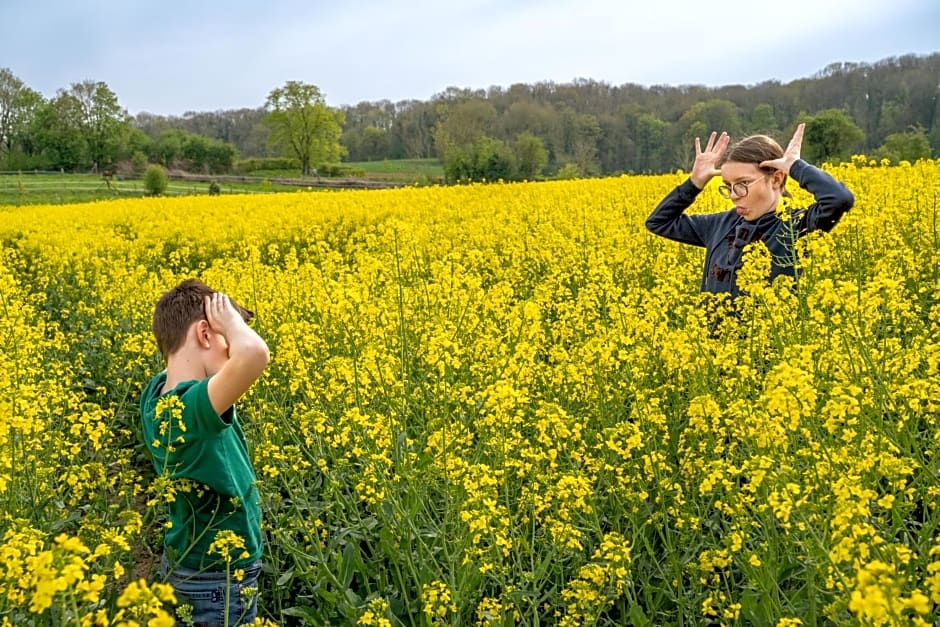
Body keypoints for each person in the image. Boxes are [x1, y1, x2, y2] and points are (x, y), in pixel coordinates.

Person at [140, 279, 270, 626]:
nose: (232, 349)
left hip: (190, 564)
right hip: (219, 580)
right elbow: (255, 354)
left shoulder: (156, 396)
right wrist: (229, 323)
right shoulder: (190, 413)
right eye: (226, 340)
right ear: (205, 335)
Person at [645, 123, 854, 298]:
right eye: (727, 185)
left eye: (743, 183)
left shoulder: (797, 226)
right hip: (716, 345)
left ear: (776, 178)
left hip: (770, 346)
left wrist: (795, 167)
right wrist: (694, 183)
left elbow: (838, 199)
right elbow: (659, 222)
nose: (734, 195)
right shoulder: (720, 225)